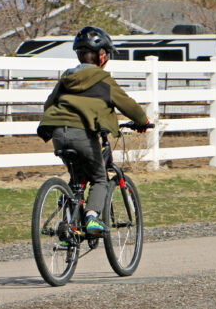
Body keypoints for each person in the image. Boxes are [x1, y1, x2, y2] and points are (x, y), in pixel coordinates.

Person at [37, 26, 151, 236]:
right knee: (99, 178)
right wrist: (142, 121)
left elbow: (48, 105)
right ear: (101, 56)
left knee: (77, 177)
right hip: (83, 136)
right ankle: (91, 218)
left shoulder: (66, 78)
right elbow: (128, 105)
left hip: (58, 135)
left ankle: (68, 226)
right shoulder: (103, 80)